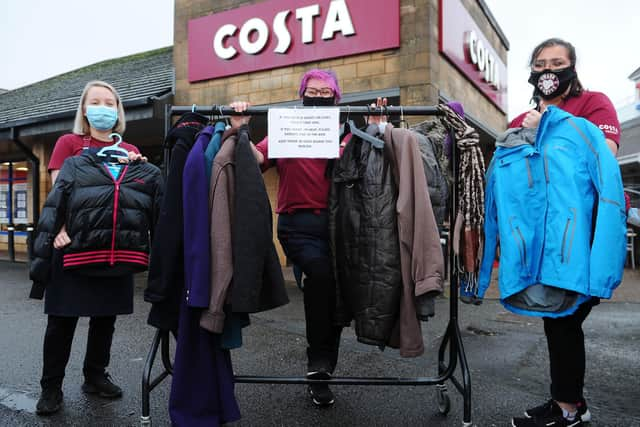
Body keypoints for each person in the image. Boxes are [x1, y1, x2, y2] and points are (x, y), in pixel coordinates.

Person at [230, 69, 377, 407]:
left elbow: (377, 162)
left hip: (340, 225)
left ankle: (323, 369)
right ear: (301, 94)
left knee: (335, 293)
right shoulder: (287, 127)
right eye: (312, 90)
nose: (319, 96)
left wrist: (379, 126)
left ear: (337, 98)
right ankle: (318, 362)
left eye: (326, 92)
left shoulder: (350, 134)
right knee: (323, 278)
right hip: (298, 225)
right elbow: (255, 160)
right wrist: (240, 128)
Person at [509, 38, 621, 427]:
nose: (548, 71)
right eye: (540, 64)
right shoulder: (522, 119)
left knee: (564, 316)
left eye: (557, 62)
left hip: (582, 231)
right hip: (543, 238)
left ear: (572, 67)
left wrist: (551, 125)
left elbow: (603, 150)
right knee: (557, 316)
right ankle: (570, 403)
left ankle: (569, 407)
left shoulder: (593, 103)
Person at [31, 80, 146, 415]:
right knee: (62, 321)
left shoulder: (129, 149)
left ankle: (95, 375)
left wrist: (136, 167)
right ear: (84, 109)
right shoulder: (68, 144)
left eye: (110, 103)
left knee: (104, 318)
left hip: (112, 246)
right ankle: (51, 387)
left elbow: (130, 197)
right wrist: (61, 229)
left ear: (118, 110)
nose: (103, 108)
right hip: (72, 244)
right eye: (95, 102)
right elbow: (58, 193)